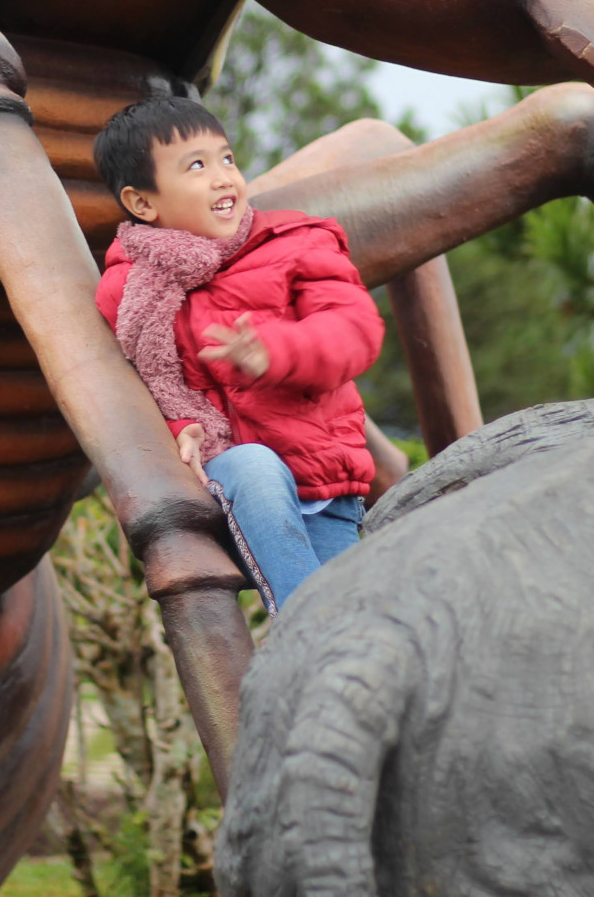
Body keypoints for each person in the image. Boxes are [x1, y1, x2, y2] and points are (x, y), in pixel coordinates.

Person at [92, 95, 384, 607]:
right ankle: (304, 632)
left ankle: (324, 650)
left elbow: (355, 330)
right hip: (224, 486)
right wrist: (181, 427)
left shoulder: (297, 244)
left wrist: (278, 351)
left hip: (323, 485)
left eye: (227, 158)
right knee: (253, 465)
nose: (224, 177)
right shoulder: (131, 288)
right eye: (197, 166)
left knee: (356, 613)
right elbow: (150, 385)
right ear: (143, 204)